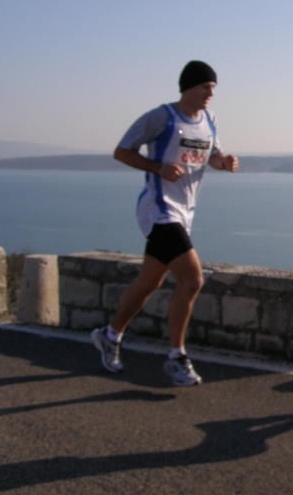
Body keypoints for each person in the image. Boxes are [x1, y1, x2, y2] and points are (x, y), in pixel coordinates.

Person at [91, 60, 239, 386]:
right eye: (205, 87)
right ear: (188, 87)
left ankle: (110, 335)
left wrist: (223, 162)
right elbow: (122, 151)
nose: (210, 93)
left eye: (213, 88)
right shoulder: (162, 117)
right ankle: (176, 356)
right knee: (193, 279)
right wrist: (157, 167)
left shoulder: (210, 120)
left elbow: (212, 155)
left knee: (149, 282)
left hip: (185, 213)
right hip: (159, 210)